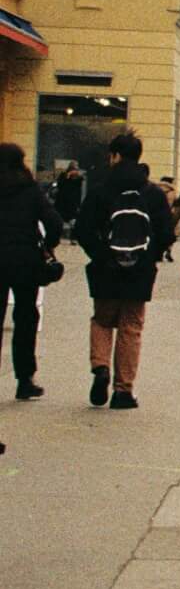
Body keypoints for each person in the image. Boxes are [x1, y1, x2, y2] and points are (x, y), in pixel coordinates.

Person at [73, 131, 174, 411]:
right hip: (139, 271)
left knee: (103, 321)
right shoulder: (153, 193)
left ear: (115, 156)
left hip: (106, 269)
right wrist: (147, 255)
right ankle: (123, 392)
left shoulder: (101, 190)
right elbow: (167, 233)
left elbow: (82, 230)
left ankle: (101, 367)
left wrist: (102, 255)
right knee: (132, 327)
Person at [0, 143, 65, 400]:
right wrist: (47, 247)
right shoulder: (30, 190)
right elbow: (55, 223)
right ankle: (25, 379)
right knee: (26, 317)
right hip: (25, 261)